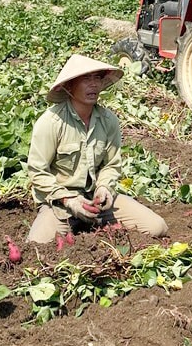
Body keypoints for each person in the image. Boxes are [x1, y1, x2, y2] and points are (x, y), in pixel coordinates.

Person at [26, 55, 168, 244]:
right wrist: (70, 200)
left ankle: (94, 223)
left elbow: (111, 164)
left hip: (96, 202)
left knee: (157, 227)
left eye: (97, 78)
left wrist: (104, 188)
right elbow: (37, 171)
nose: (93, 85)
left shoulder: (109, 121)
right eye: (86, 79)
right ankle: (76, 223)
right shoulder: (51, 122)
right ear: (69, 87)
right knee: (37, 245)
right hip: (61, 204)